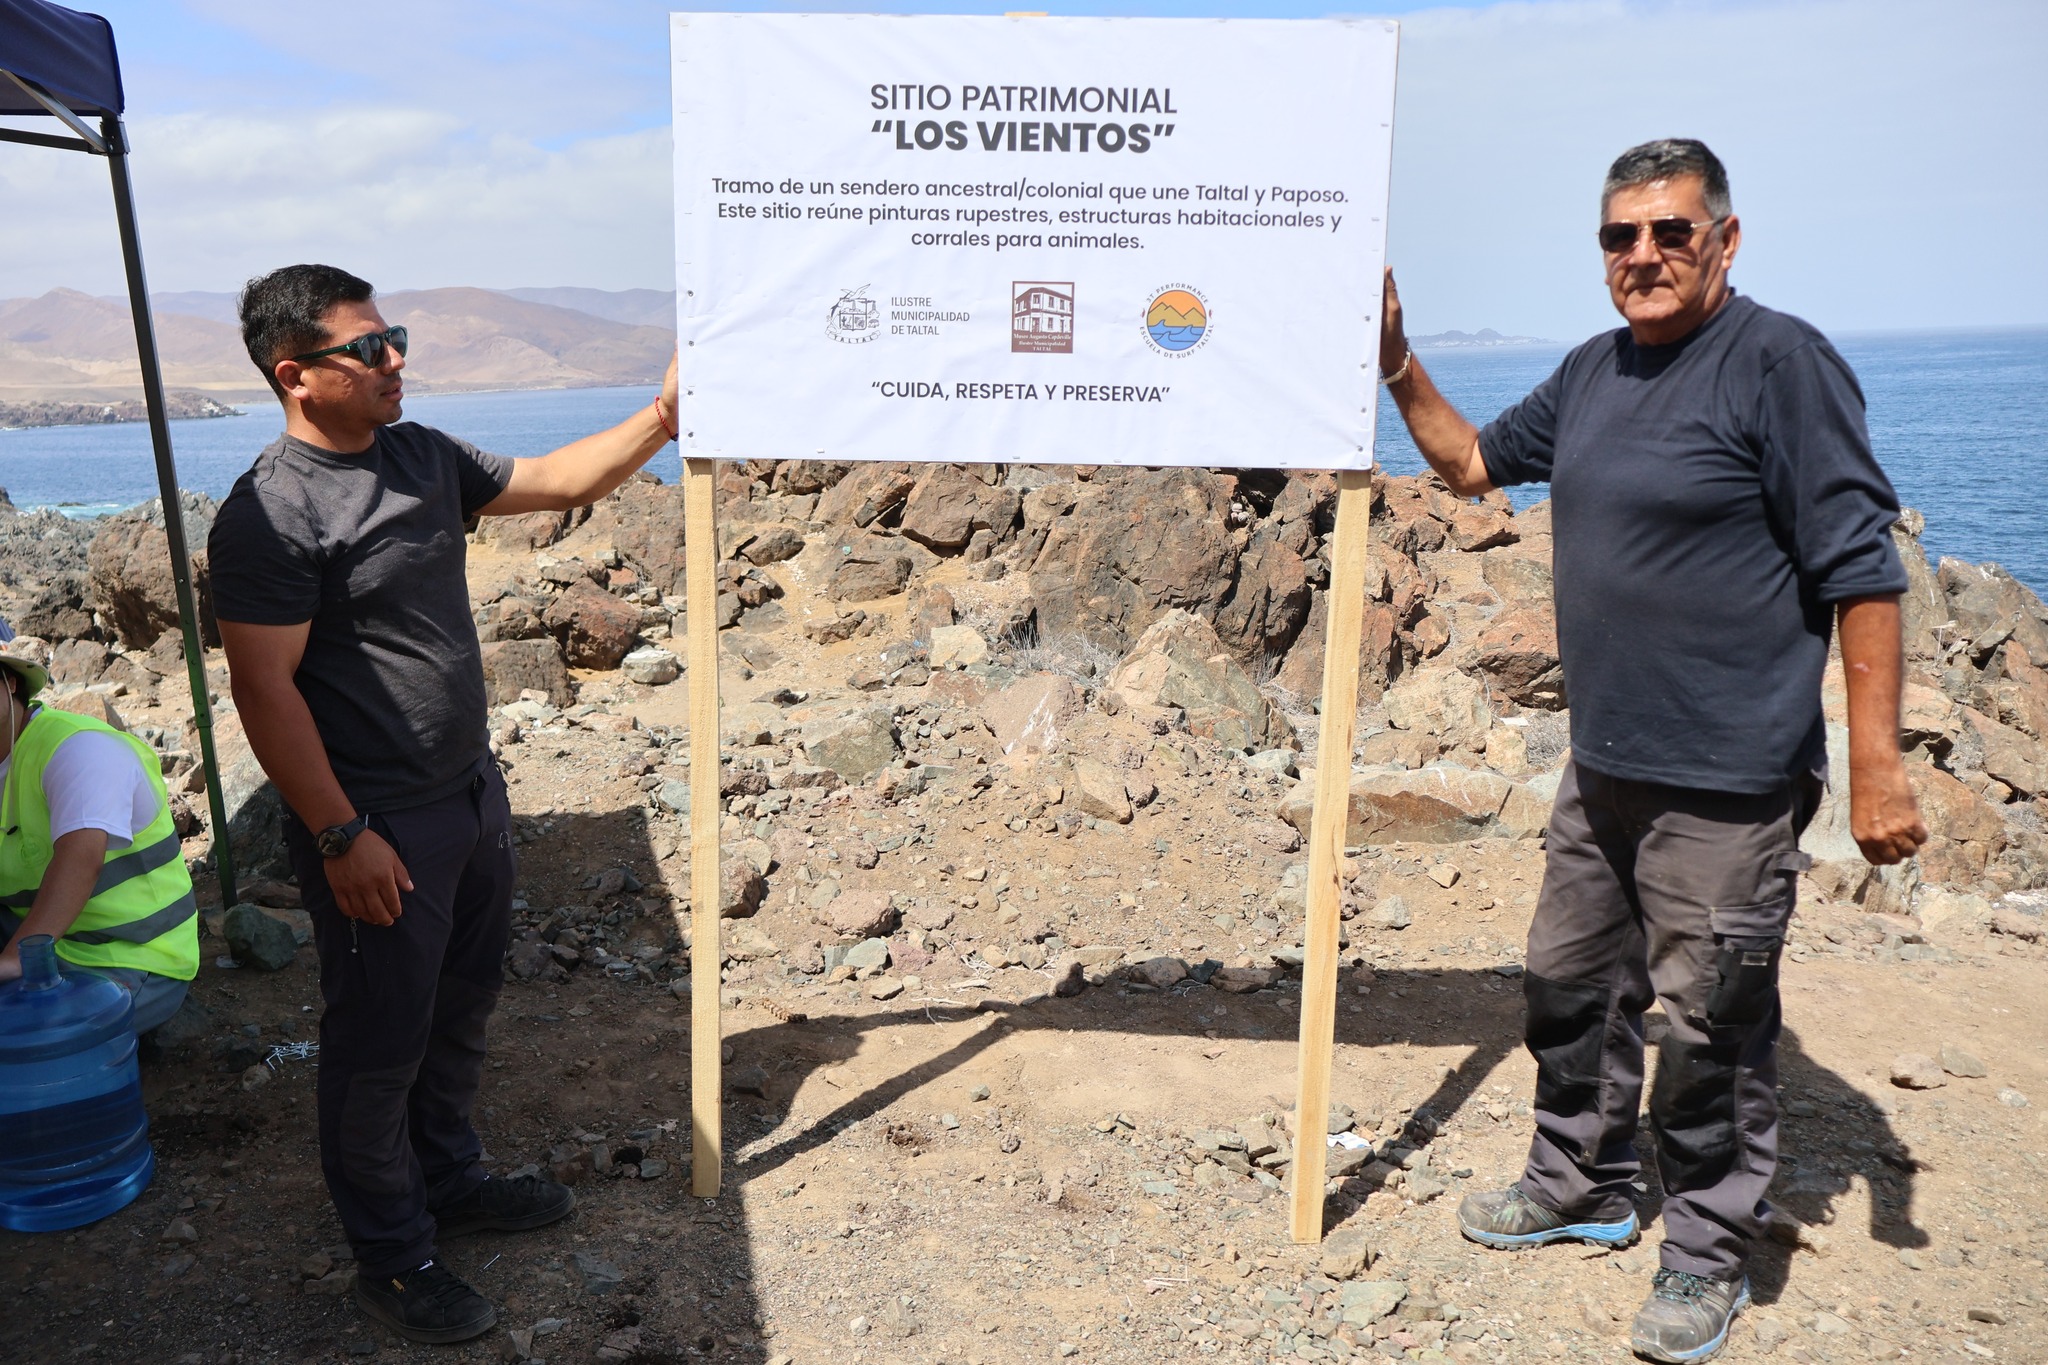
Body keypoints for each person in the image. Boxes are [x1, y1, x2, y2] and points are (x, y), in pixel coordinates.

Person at [1377, 139, 1926, 1364]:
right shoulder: (1589, 374)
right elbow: (1470, 466)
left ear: (1723, 241)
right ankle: (1579, 1182)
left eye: (1670, 232)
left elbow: (1860, 571)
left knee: (1708, 1026)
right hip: (1603, 767)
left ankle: (1703, 1252)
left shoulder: (1781, 365)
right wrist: (1395, 362)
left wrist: (1875, 762)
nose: (1642, 256)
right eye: (1619, 237)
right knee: (1566, 987)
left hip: (1726, 787)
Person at [209, 264, 679, 1345]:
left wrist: (660, 418)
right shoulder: (268, 515)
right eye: (368, 348)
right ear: (296, 376)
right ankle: (394, 1257)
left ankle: (449, 1181)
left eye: (396, 338)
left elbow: (559, 480)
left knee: (459, 1010)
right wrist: (338, 834)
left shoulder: (421, 457)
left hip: (469, 795)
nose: (395, 361)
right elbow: (262, 688)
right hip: (375, 823)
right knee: (377, 1044)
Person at [0, 648, 198, 1031]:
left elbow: (81, 858)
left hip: (129, 958)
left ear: (10, 683)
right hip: (33, 936)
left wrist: (12, 960)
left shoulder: (78, 747)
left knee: (26, 1044)